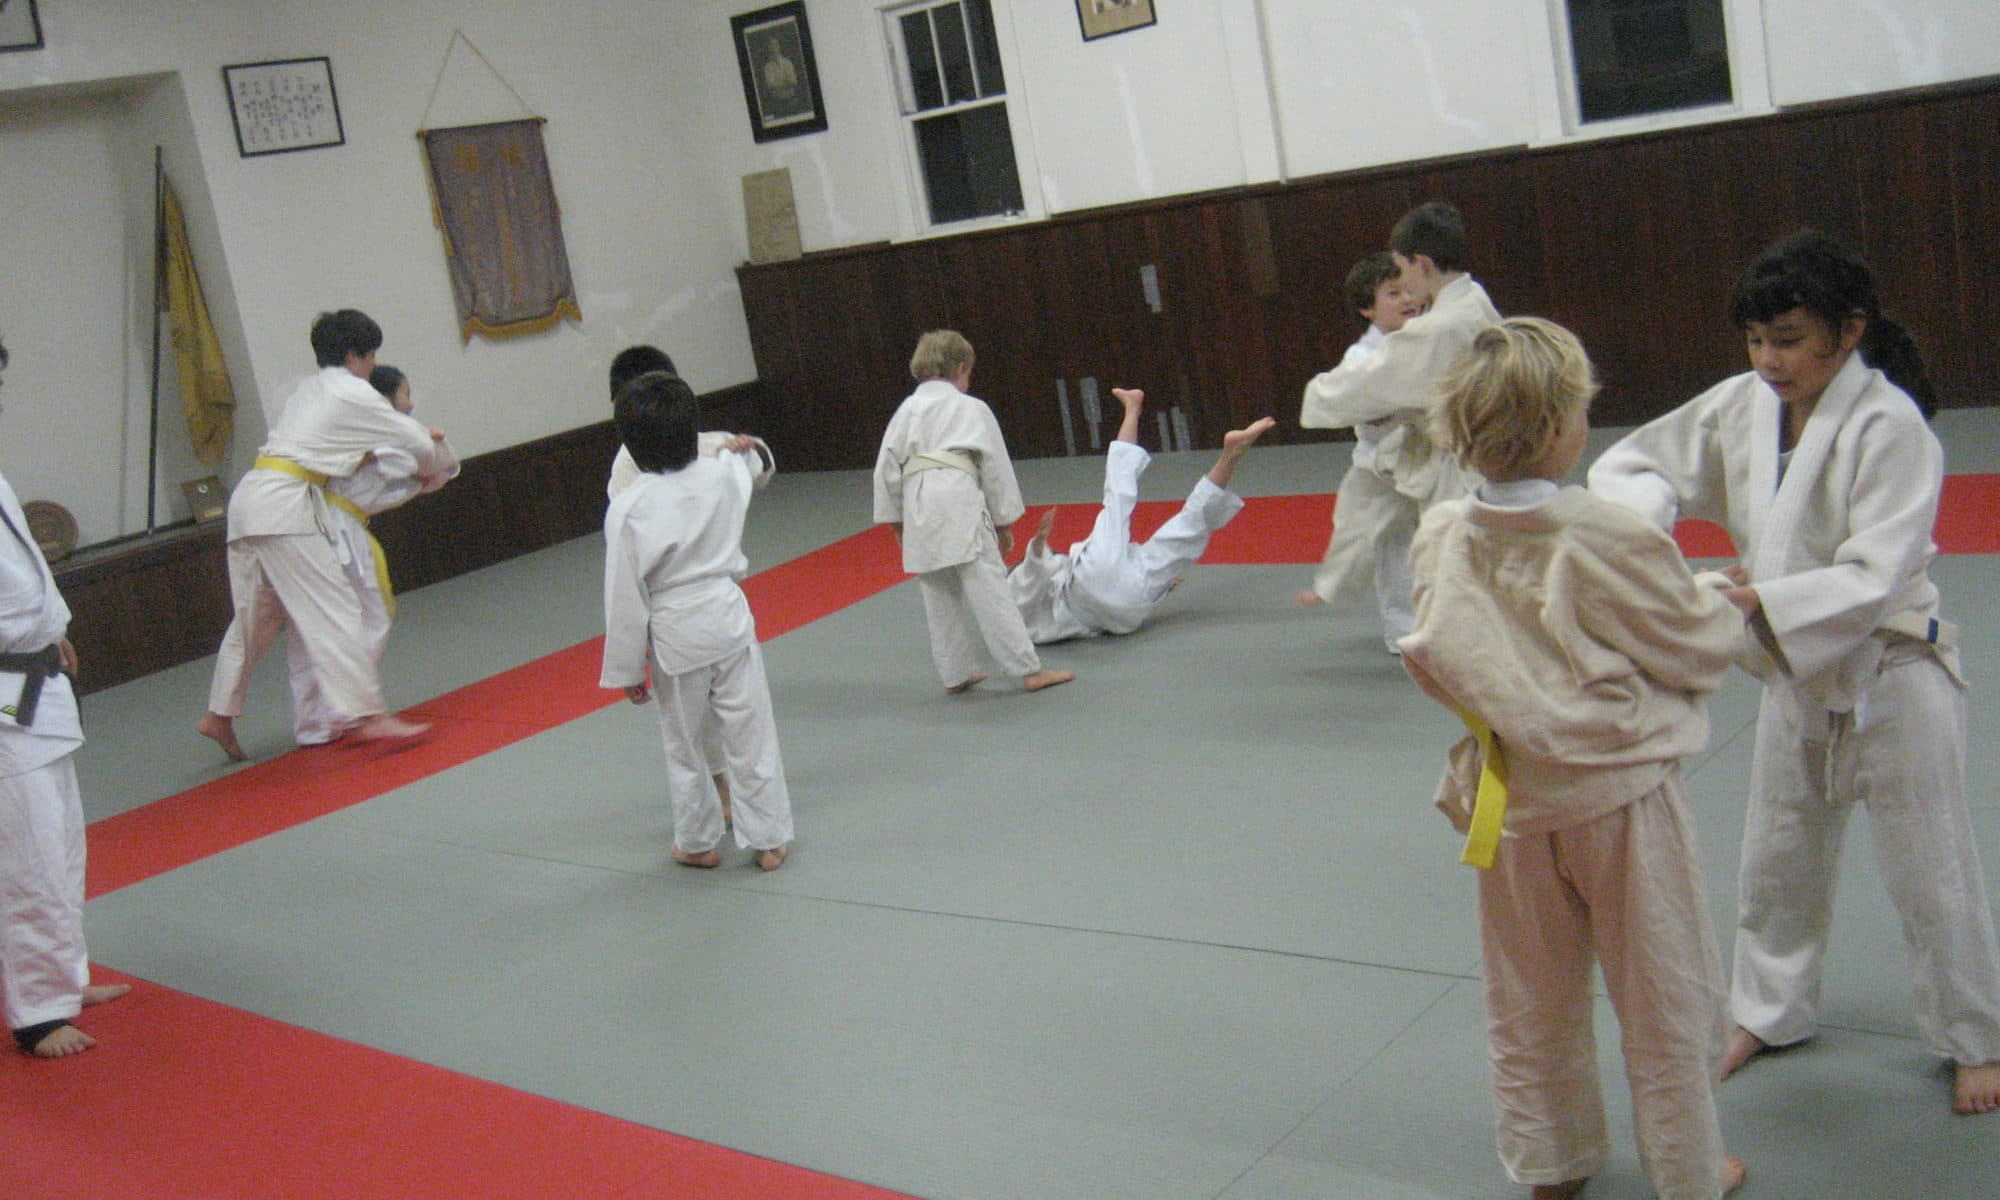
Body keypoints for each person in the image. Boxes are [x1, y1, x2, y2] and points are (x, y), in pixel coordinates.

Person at [1588, 230, 2000, 1117]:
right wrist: (1657, 533)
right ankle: (1769, 1011)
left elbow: (1874, 572)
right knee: (1777, 855)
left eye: (1788, 339)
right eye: (1756, 340)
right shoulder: (1742, 405)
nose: (1769, 360)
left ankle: (1975, 1038)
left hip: (1893, 664)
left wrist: (1756, 604)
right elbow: (1636, 464)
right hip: (1791, 668)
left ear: (1848, 332)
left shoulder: (1890, 426)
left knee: (1932, 867)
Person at [1400, 318, 1750, 1199]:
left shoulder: (1442, 531)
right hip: (1617, 798)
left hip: (1508, 802)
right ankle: (1689, 1171)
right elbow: (1694, 644)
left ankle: (1549, 1166)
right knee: (1665, 995)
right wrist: (1719, 598)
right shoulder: (1602, 531)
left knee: (1528, 1000)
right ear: (1562, 424)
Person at [198, 310, 451, 761]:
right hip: (286, 507)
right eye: (372, 355)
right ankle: (367, 715)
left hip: (250, 500)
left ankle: (219, 713)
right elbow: (414, 443)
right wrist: (435, 471)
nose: (375, 364)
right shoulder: (355, 391)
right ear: (357, 354)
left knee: (255, 618)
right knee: (334, 608)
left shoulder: (307, 390)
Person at [599, 371, 792, 871]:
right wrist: (747, 447)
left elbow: (624, 596)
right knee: (752, 732)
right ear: (693, 430)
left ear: (631, 447)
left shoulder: (628, 507)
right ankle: (769, 840)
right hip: (728, 617)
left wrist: (626, 668)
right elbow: (751, 456)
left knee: (685, 743)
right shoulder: (722, 474)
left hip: (674, 631)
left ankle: (698, 841)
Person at [0, 335, 131, 1057]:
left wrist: (55, 632)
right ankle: (37, 1014)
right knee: (28, 849)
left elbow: (23, 574)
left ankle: (61, 975)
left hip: (29, 672)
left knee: (60, 835)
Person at [1299, 202, 1503, 652]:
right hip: (1463, 451)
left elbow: (1363, 388)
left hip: (1456, 459)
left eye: (1401, 271)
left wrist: (1317, 396)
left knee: (1450, 556)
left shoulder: (1436, 329)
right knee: (1403, 538)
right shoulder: (1474, 300)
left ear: (1421, 263)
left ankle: (1463, 645)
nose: (1405, 288)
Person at [873, 330, 1072, 694]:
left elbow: (885, 471)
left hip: (917, 499)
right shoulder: (971, 408)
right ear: (960, 366)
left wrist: (896, 523)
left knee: (937, 590)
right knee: (988, 583)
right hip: (956, 494)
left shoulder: (905, 411)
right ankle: (1028, 670)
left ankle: (955, 674)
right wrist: (1003, 522)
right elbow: (994, 467)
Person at [1007, 385, 1273, 642]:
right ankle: (1134, 410)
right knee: (1119, 497)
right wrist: (1037, 545)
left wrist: (1165, 583)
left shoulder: (1033, 622)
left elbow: (1032, 579)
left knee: (1190, 526)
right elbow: (1029, 575)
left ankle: (1231, 454)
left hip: (1125, 613)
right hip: (1090, 581)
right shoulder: (1015, 596)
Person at [286, 365, 460, 745]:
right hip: (337, 530)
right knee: (369, 616)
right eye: (405, 394)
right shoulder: (381, 439)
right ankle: (347, 709)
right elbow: (428, 468)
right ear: (386, 400)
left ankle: (313, 723)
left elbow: (433, 473)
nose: (410, 403)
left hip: (304, 527)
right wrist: (430, 445)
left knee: (309, 628)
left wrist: (432, 452)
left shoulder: (338, 429)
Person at [603, 345, 736, 825]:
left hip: (706, 603)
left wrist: (749, 452)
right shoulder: (627, 475)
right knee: (694, 724)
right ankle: (721, 800)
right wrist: (628, 661)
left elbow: (743, 459)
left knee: (718, 716)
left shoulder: (697, 443)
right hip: (678, 607)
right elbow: (628, 575)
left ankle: (720, 810)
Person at [1293, 251, 1428, 649]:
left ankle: (1454, 623)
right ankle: (1405, 634)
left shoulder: (1430, 339)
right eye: (1392, 293)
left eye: (1410, 290)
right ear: (1367, 309)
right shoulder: (1363, 357)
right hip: (1381, 467)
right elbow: (1359, 408)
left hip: (1430, 460)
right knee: (1378, 541)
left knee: (1447, 539)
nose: (1407, 299)